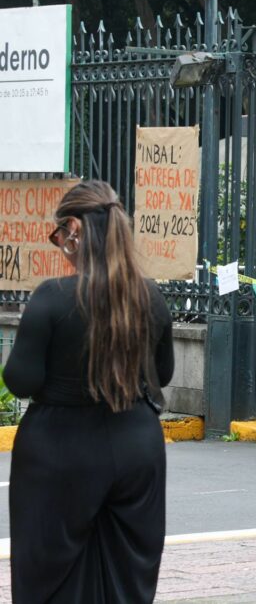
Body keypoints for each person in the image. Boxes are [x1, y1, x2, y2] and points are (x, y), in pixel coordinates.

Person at [4, 180, 175, 602]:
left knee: (49, 576)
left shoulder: (52, 298)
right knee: (127, 573)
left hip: (58, 451)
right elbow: (164, 373)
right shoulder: (149, 295)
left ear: (75, 228)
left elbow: (20, 381)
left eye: (59, 233)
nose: (59, 242)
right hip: (136, 445)